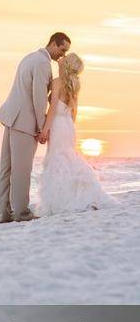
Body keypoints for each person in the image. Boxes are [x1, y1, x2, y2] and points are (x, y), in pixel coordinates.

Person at [0, 32, 70, 223]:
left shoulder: (29, 57)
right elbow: (38, 98)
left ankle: (3, 212)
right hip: (24, 122)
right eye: (62, 49)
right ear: (53, 43)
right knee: (22, 170)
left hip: (11, 117)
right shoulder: (43, 64)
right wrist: (40, 126)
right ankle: (22, 213)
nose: (63, 55)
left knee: (7, 168)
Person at [35, 52, 115, 215]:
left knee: (58, 160)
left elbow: (52, 110)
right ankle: (82, 194)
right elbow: (73, 113)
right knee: (69, 158)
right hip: (68, 125)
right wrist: (68, 124)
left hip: (57, 123)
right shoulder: (74, 84)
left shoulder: (57, 82)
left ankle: (61, 200)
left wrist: (45, 130)